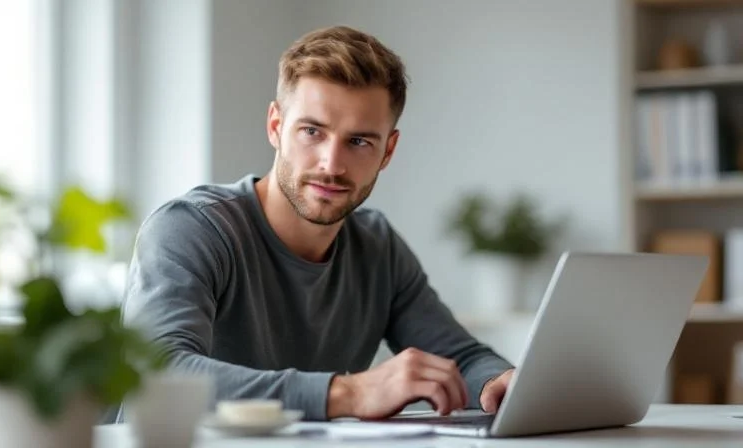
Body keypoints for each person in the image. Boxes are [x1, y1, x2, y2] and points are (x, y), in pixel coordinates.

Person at [122, 25, 515, 422]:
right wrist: (348, 394)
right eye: (312, 131)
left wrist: (499, 383)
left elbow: (459, 358)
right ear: (276, 127)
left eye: (359, 141)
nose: (331, 164)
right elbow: (157, 375)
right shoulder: (192, 229)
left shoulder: (377, 247)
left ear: (387, 151)